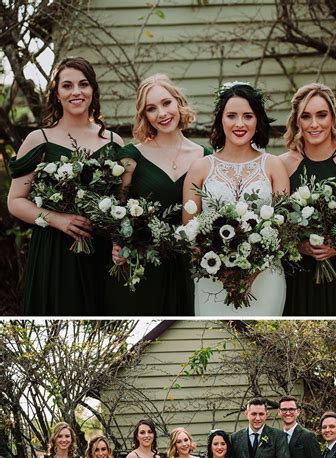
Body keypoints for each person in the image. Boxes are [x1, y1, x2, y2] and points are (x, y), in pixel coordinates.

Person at [7, 57, 123, 315]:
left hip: (100, 248)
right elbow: (15, 201)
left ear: (93, 90)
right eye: (67, 86)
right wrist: (57, 219)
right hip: (55, 249)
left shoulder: (114, 141)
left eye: (83, 84)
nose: (76, 92)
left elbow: (121, 199)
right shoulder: (39, 139)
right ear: (57, 93)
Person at [105, 74, 211, 316]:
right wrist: (116, 242)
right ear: (145, 117)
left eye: (166, 103)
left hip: (188, 266)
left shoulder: (205, 156)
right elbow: (115, 207)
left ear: (178, 102)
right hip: (141, 263)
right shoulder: (131, 157)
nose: (162, 113)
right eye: (151, 109)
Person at [182, 81, 289, 315]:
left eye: (247, 116)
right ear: (221, 119)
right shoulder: (200, 168)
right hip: (213, 278)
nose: (239, 124)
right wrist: (222, 271)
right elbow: (189, 230)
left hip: (264, 277)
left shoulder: (273, 165)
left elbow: (284, 228)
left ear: (257, 120)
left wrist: (252, 271)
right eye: (232, 116)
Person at [281, 82, 336, 317]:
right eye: (306, 117)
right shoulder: (283, 165)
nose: (314, 124)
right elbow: (278, 226)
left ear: (333, 117)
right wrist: (301, 246)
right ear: (297, 121)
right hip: (299, 274)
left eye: (322, 115)